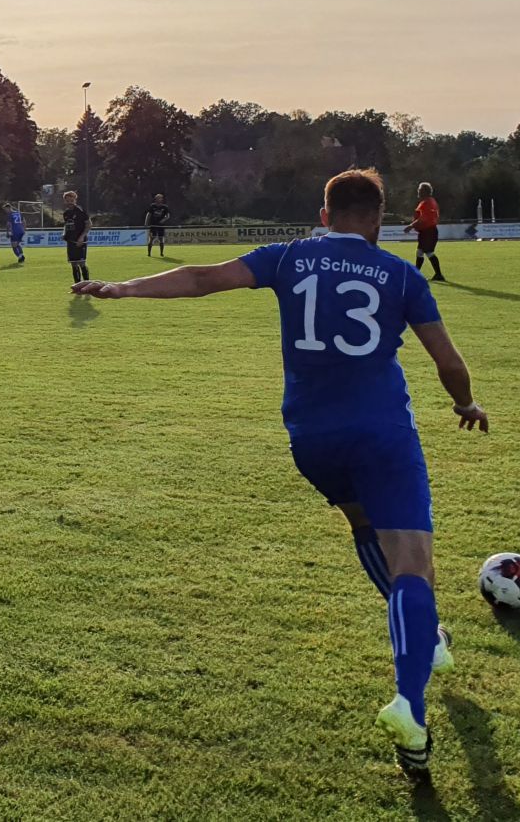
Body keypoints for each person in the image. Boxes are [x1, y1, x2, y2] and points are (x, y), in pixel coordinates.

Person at [70, 168, 488, 779]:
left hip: (312, 439)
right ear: (376, 220)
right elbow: (448, 362)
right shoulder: (399, 274)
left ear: (324, 216)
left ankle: (428, 640)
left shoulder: (289, 257)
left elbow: (203, 278)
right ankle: (411, 703)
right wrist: (464, 404)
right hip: (382, 435)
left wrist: (124, 288)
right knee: (414, 565)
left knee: (365, 525)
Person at [409, 182, 444, 282]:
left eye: (419, 190)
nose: (418, 192)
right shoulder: (431, 201)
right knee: (421, 252)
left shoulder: (426, 203)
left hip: (428, 231)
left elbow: (423, 218)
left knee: (428, 252)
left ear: (424, 191)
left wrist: (411, 226)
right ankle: (420, 274)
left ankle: (437, 274)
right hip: (428, 231)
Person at [62, 189, 90, 284]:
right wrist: (64, 234)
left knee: (82, 263)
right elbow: (66, 225)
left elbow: (89, 224)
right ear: (65, 201)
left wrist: (82, 237)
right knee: (73, 264)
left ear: (75, 200)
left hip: (80, 241)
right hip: (71, 241)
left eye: (72, 200)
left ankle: (87, 285)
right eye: (68, 200)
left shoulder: (80, 211)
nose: (70, 202)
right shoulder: (66, 213)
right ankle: (77, 286)